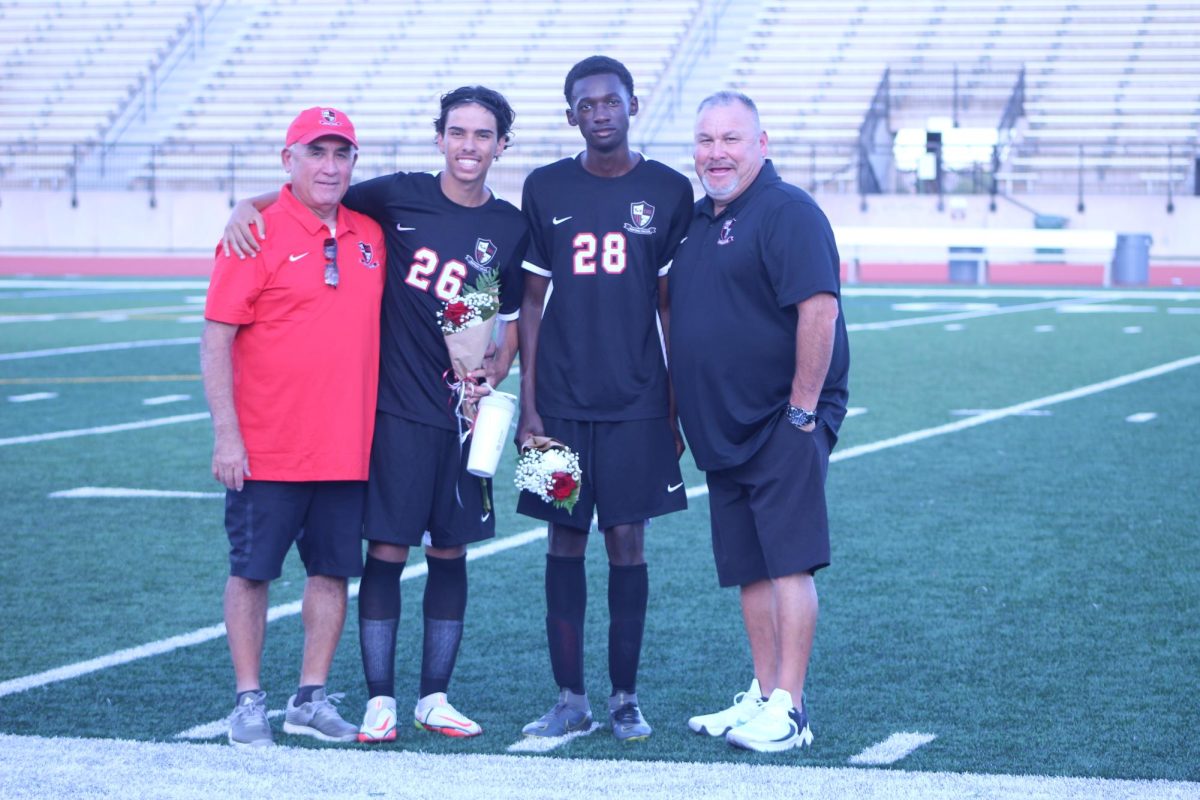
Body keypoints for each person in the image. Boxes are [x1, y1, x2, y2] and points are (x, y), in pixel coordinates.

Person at [222, 87, 528, 742]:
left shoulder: (510, 225)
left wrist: (500, 364)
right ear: (439, 137)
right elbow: (310, 192)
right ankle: (380, 699)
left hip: (463, 421)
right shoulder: (395, 197)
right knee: (386, 551)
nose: (468, 145)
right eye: (457, 132)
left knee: (451, 552)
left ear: (502, 145)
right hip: (392, 413)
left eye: (482, 135)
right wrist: (242, 206)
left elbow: (516, 313)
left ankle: (434, 697)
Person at [515, 55, 694, 742]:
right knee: (562, 542)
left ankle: (624, 697)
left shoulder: (669, 191)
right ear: (570, 116)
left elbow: (672, 310)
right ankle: (570, 698)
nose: (599, 112)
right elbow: (529, 304)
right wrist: (529, 408)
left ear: (633, 104)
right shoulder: (546, 185)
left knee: (626, 542)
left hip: (638, 405)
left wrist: (673, 409)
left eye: (609, 100)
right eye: (585, 104)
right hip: (557, 405)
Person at [668, 91, 849, 753]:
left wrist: (802, 411)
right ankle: (764, 690)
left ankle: (792, 708)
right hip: (725, 427)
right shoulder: (694, 221)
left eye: (731, 139)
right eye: (706, 140)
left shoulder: (787, 211)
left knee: (789, 564)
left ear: (761, 142)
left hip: (782, 418)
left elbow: (819, 312)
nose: (717, 152)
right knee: (749, 567)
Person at [202, 106, 385, 749]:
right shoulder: (252, 233)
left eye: (341, 155)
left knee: (332, 572)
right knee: (252, 571)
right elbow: (216, 338)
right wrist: (227, 433)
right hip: (268, 448)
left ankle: (311, 695)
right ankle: (248, 699)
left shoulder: (370, 230)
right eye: (316, 153)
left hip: (346, 446)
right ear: (289, 160)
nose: (330, 167)